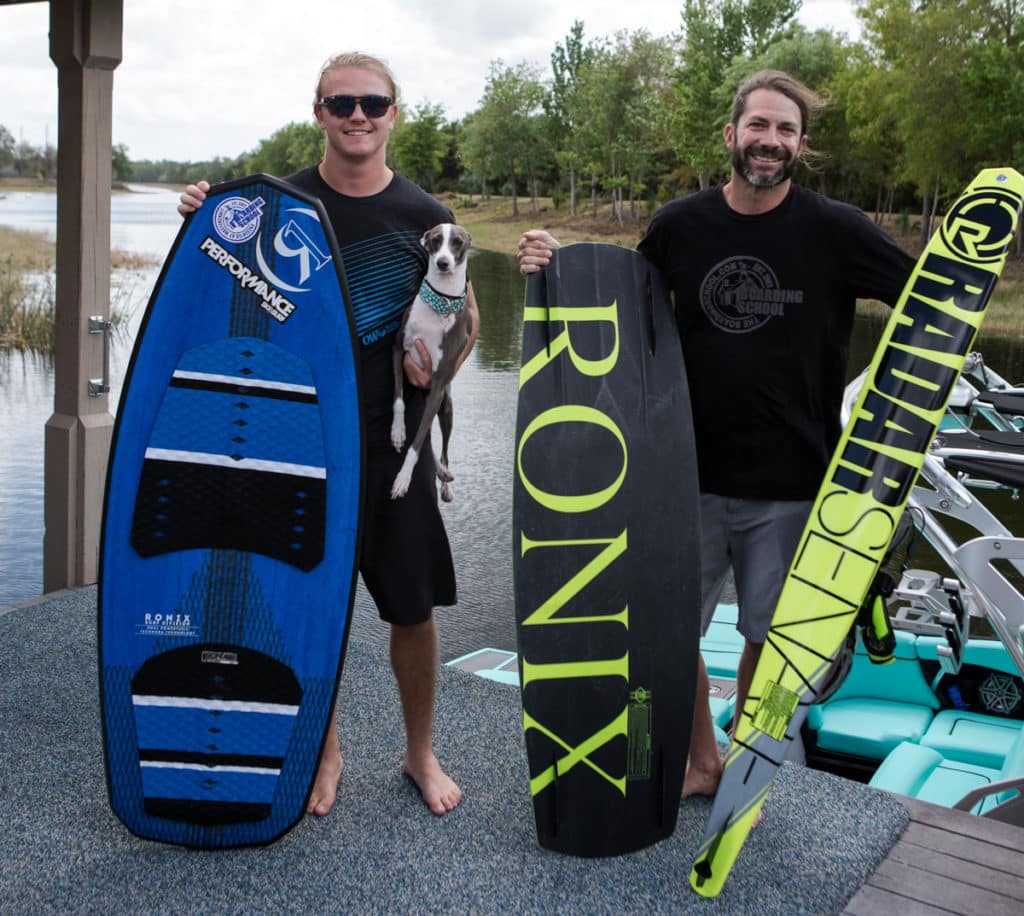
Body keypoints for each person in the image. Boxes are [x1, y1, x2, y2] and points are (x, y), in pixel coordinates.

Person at [518, 70, 915, 800]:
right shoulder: (680, 225)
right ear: (731, 135)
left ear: (802, 145)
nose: (770, 142)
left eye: (785, 131)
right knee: (668, 633)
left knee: (768, 640)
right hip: (680, 477)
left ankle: (743, 767)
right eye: (758, 126)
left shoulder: (836, 229)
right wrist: (556, 263)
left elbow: (924, 302)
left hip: (794, 487)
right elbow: (617, 302)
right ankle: (703, 760)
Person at [179, 51, 479, 817]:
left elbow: (466, 324)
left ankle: (418, 753)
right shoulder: (277, 204)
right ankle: (327, 747)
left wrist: (432, 367)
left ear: (393, 114)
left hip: (389, 445)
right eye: (340, 103)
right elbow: (217, 284)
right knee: (306, 598)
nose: (357, 116)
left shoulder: (425, 218)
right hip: (294, 438)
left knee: (412, 608)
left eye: (372, 103)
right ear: (318, 112)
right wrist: (199, 221)